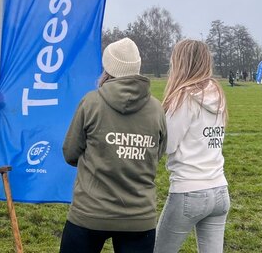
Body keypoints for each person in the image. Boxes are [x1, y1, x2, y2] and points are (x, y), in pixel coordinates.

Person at [60, 37, 167, 253]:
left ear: (107, 68)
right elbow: (158, 154)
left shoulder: (91, 102)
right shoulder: (157, 109)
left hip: (90, 212)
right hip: (139, 217)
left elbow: (70, 152)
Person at [154, 40, 230, 253]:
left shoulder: (184, 97)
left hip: (189, 190)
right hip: (219, 190)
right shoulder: (217, 92)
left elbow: (168, 144)